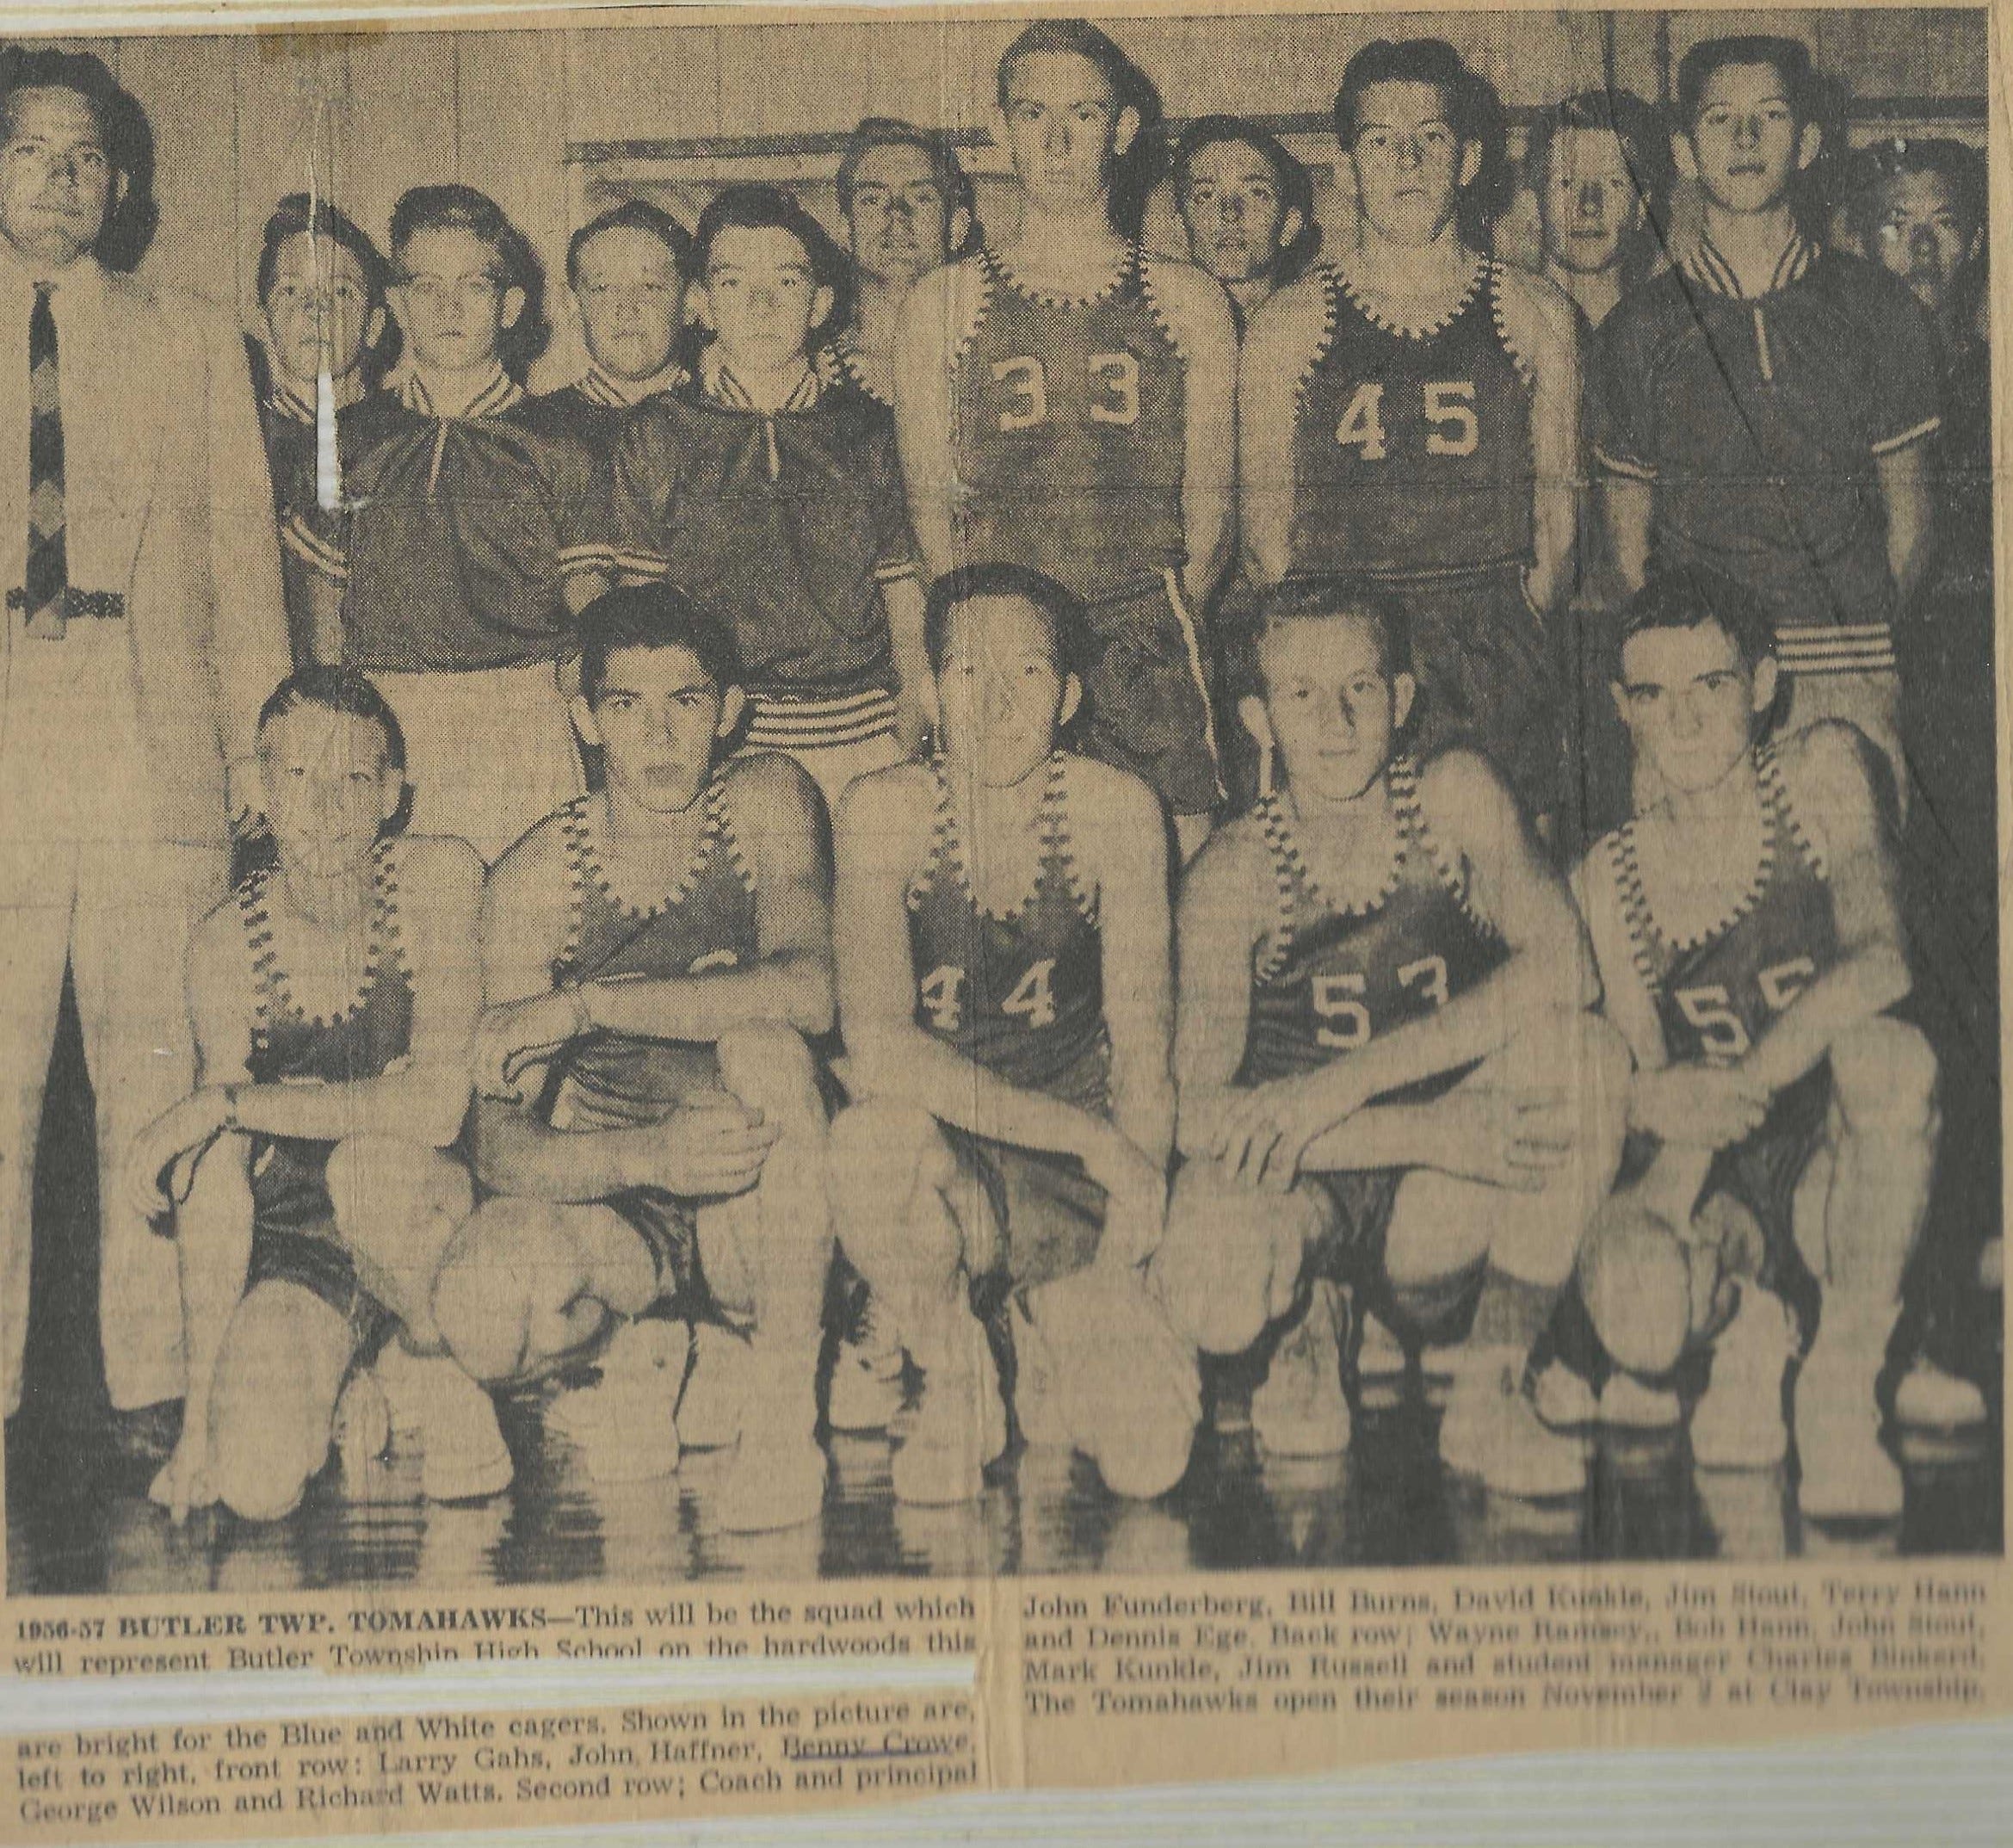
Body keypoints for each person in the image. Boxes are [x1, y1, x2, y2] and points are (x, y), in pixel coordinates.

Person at [1152, 579, 1628, 1497]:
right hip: (1314, 1180)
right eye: (1300, 695)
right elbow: (1194, 1115)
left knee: (1588, 1057)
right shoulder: (1233, 871)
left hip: (1435, 1201)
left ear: (1400, 699)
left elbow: (1570, 969)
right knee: (1208, 1282)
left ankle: (1489, 1386)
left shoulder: (1452, 795)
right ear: (1257, 718)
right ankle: (1313, 1319)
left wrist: (1346, 1086)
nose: (1333, 720)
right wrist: (1410, 1128)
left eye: (1359, 688)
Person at [0, 47, 291, 1444]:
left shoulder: (186, 337)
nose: (61, 178)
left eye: (86, 156)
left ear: (119, 185)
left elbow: (244, 562)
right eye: (30, 149)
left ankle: (157, 1387)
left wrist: (259, 756)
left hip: (146, 727)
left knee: (153, 1079)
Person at [432, 584, 837, 1534]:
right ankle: (645, 1345)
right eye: (627, 706)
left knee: (766, 1049)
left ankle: (785, 1407)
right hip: (629, 1210)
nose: (657, 737)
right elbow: (496, 1142)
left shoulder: (767, 797)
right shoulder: (535, 878)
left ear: (728, 710)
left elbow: (813, 990)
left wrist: (585, 1005)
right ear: (585, 716)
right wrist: (644, 1158)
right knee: (480, 1313)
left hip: (763, 1192)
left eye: (684, 702)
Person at [1568, 567, 1937, 1518]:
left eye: (1711, 686)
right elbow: (1645, 1092)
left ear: (1763, 683)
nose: (1683, 722)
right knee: (1636, 1309)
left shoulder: (1820, 769)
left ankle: (1840, 1382)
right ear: (1622, 707)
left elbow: (1881, 960)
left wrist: (1736, 1084)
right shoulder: (1606, 878)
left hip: (1833, 1163)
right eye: (1653, 695)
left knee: (1891, 1060)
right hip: (1723, 1186)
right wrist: (1661, 1132)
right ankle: (1748, 1323)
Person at [831, 564, 1198, 1505]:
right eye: (965, 673)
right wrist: (1087, 1138)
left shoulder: (1118, 810)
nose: (993, 703)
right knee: (867, 1138)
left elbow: (1145, 1052)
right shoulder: (882, 810)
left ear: (1069, 695)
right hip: (954, 1161)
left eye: (1026, 674)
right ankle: (956, 1371)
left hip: (1075, 1176)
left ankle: (1050, 1319)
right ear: (928, 691)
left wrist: (1127, 1247)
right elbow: (876, 1047)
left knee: (1147, 1461)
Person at [119, 669, 498, 1522]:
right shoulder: (224, 945)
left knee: (369, 1159)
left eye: (354, 779)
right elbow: (215, 1186)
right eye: (298, 777)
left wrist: (228, 1101)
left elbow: (437, 1106)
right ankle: (358, 1373)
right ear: (258, 788)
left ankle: (433, 1360)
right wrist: (196, 1430)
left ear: (394, 793)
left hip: (433, 1220)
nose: (326, 808)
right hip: (309, 1250)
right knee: (252, 1484)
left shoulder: (442, 879)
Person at [894, 19, 1238, 862]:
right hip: (1004, 649)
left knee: (1172, 879)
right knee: (1016, 882)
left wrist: (1153, 616)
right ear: (999, 129)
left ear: (1121, 130)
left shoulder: (1188, 299)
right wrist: (989, 643)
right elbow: (931, 516)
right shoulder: (941, 301)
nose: (1055, 140)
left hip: (1142, 637)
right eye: (1033, 113)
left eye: (1082, 115)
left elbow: (1212, 519)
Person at [1590, 35, 1942, 813]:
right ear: (1683, 150)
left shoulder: (1880, 311)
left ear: (1809, 141)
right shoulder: (1637, 330)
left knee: (1855, 920)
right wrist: (1697, 670)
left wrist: (1853, 647)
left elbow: (1912, 531)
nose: (1744, 141)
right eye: (1720, 121)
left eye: (1769, 117)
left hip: (1843, 677)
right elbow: (1624, 553)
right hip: (1697, 692)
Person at [1238, 40, 1582, 834]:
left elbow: (1558, 526)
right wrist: (1331, 650)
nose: (1406, 163)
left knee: (1505, 878)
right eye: (1380, 142)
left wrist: (1506, 621)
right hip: (1345, 656)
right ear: (1346, 164)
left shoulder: (1535, 311)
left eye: (1428, 139)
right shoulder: (1288, 323)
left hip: (1490, 646)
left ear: (1466, 159)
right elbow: (1266, 541)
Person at [283, 184, 608, 863]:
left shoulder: (563, 439)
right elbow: (323, 614)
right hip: (387, 718)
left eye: (473, 287)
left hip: (522, 718)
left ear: (510, 305)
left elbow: (592, 615)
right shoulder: (348, 438)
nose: (449, 308)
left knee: (527, 933)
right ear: (395, 304)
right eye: (426, 287)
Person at [610, 184, 928, 821]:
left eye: (784, 283)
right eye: (733, 283)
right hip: (716, 745)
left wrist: (908, 739)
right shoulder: (658, 430)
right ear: (699, 303)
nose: (759, 305)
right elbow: (637, 612)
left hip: (859, 738)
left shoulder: (869, 431)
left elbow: (906, 609)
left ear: (820, 303)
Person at [251, 195, 397, 669]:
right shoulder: (243, 440)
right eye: (292, 292)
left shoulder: (404, 442)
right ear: (264, 317)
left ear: (374, 324)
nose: (316, 310)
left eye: (341, 293)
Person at [520, 198, 694, 460]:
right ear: (574, 306)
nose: (627, 309)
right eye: (603, 289)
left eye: (650, 287)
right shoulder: (533, 432)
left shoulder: (726, 422)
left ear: (690, 303)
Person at [828, 116, 978, 406]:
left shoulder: (984, 362)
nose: (897, 216)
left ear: (956, 227)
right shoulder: (815, 373)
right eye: (872, 199)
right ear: (845, 229)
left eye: (922, 198)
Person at [1523, 88, 1667, 331]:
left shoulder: (1667, 334)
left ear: (1642, 209)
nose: (1589, 205)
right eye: (1566, 183)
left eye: (1613, 183)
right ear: (1534, 207)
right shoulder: (1503, 328)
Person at [1170, 114, 1321, 333]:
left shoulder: (1319, 330)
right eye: (1206, 195)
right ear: (1181, 229)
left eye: (1256, 193)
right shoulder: (1159, 336)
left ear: (1289, 225)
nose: (1230, 213)